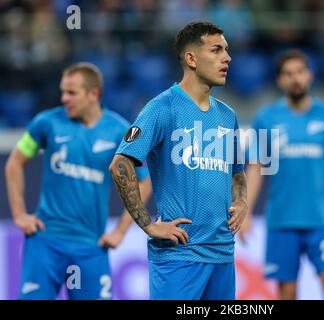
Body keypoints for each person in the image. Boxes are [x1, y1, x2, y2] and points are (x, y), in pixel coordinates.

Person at [109, 21, 247, 300]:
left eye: (227, 50)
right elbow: (120, 163)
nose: (227, 58)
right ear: (191, 58)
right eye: (217, 50)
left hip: (222, 254)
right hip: (179, 256)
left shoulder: (228, 115)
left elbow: (237, 172)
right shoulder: (162, 107)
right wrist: (148, 224)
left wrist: (241, 200)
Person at [4, 62, 151, 300]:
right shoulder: (47, 123)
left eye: (71, 93)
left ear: (93, 94)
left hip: (90, 247)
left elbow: (144, 182)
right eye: (62, 91)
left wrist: (121, 231)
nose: (64, 98)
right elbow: (14, 163)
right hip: (45, 243)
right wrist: (20, 214)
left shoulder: (119, 132)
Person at [240, 49, 324, 300]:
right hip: (281, 222)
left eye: (300, 72)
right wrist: (244, 211)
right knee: (287, 293)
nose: (296, 78)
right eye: (289, 74)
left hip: (321, 221)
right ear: (280, 81)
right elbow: (256, 167)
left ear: (310, 75)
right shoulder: (266, 118)